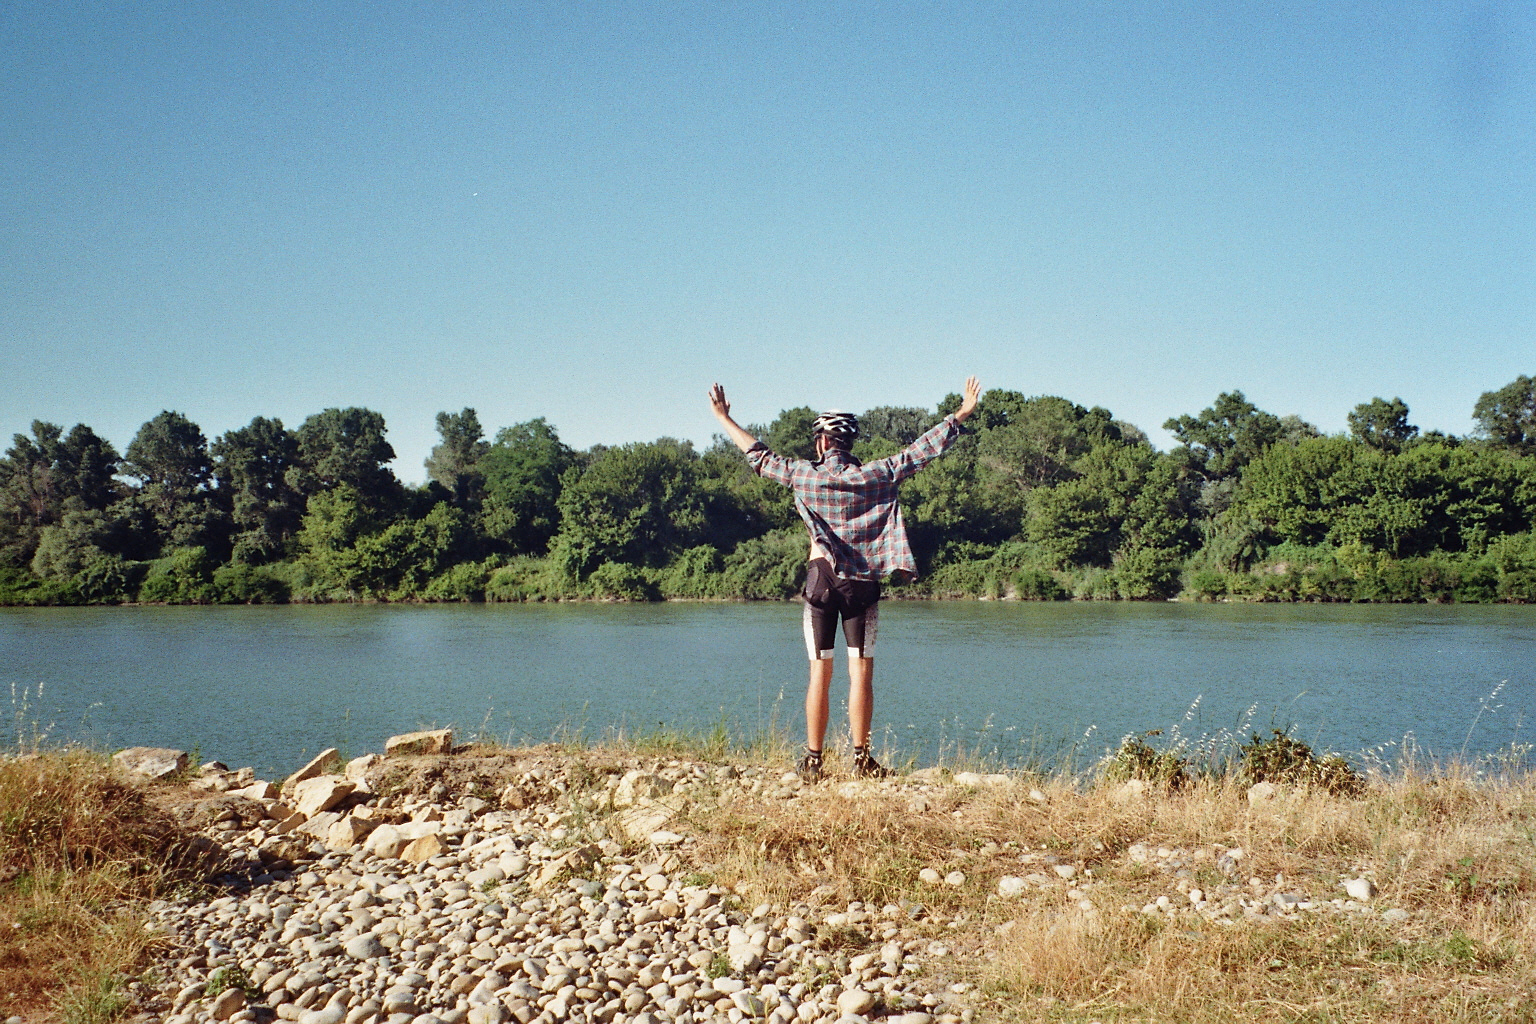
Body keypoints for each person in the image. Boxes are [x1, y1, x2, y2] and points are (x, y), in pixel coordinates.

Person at [708, 376, 982, 781]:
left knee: (820, 671)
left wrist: (723, 418)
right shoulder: (876, 474)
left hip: (821, 579)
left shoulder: (804, 474)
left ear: (821, 442)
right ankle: (862, 760)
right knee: (861, 672)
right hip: (861, 585)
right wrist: (960, 414)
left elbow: (759, 456)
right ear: (850, 443)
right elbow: (919, 452)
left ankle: (813, 761)